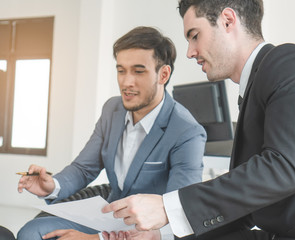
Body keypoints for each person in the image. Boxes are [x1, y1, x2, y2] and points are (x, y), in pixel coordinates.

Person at [101, 0, 295, 240]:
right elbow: (244, 208)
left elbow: (284, 169)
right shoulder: (255, 87)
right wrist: (163, 234)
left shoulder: (291, 63)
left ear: (227, 20)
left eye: (194, 36)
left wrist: (167, 207)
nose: (190, 52)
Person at [17, 26, 206, 240]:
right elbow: (83, 168)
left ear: (163, 74)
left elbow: (180, 210)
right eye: (121, 70)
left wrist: (97, 239)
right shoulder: (112, 110)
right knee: (32, 232)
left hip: (148, 230)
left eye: (138, 71)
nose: (126, 82)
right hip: (111, 216)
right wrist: (52, 185)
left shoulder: (186, 132)